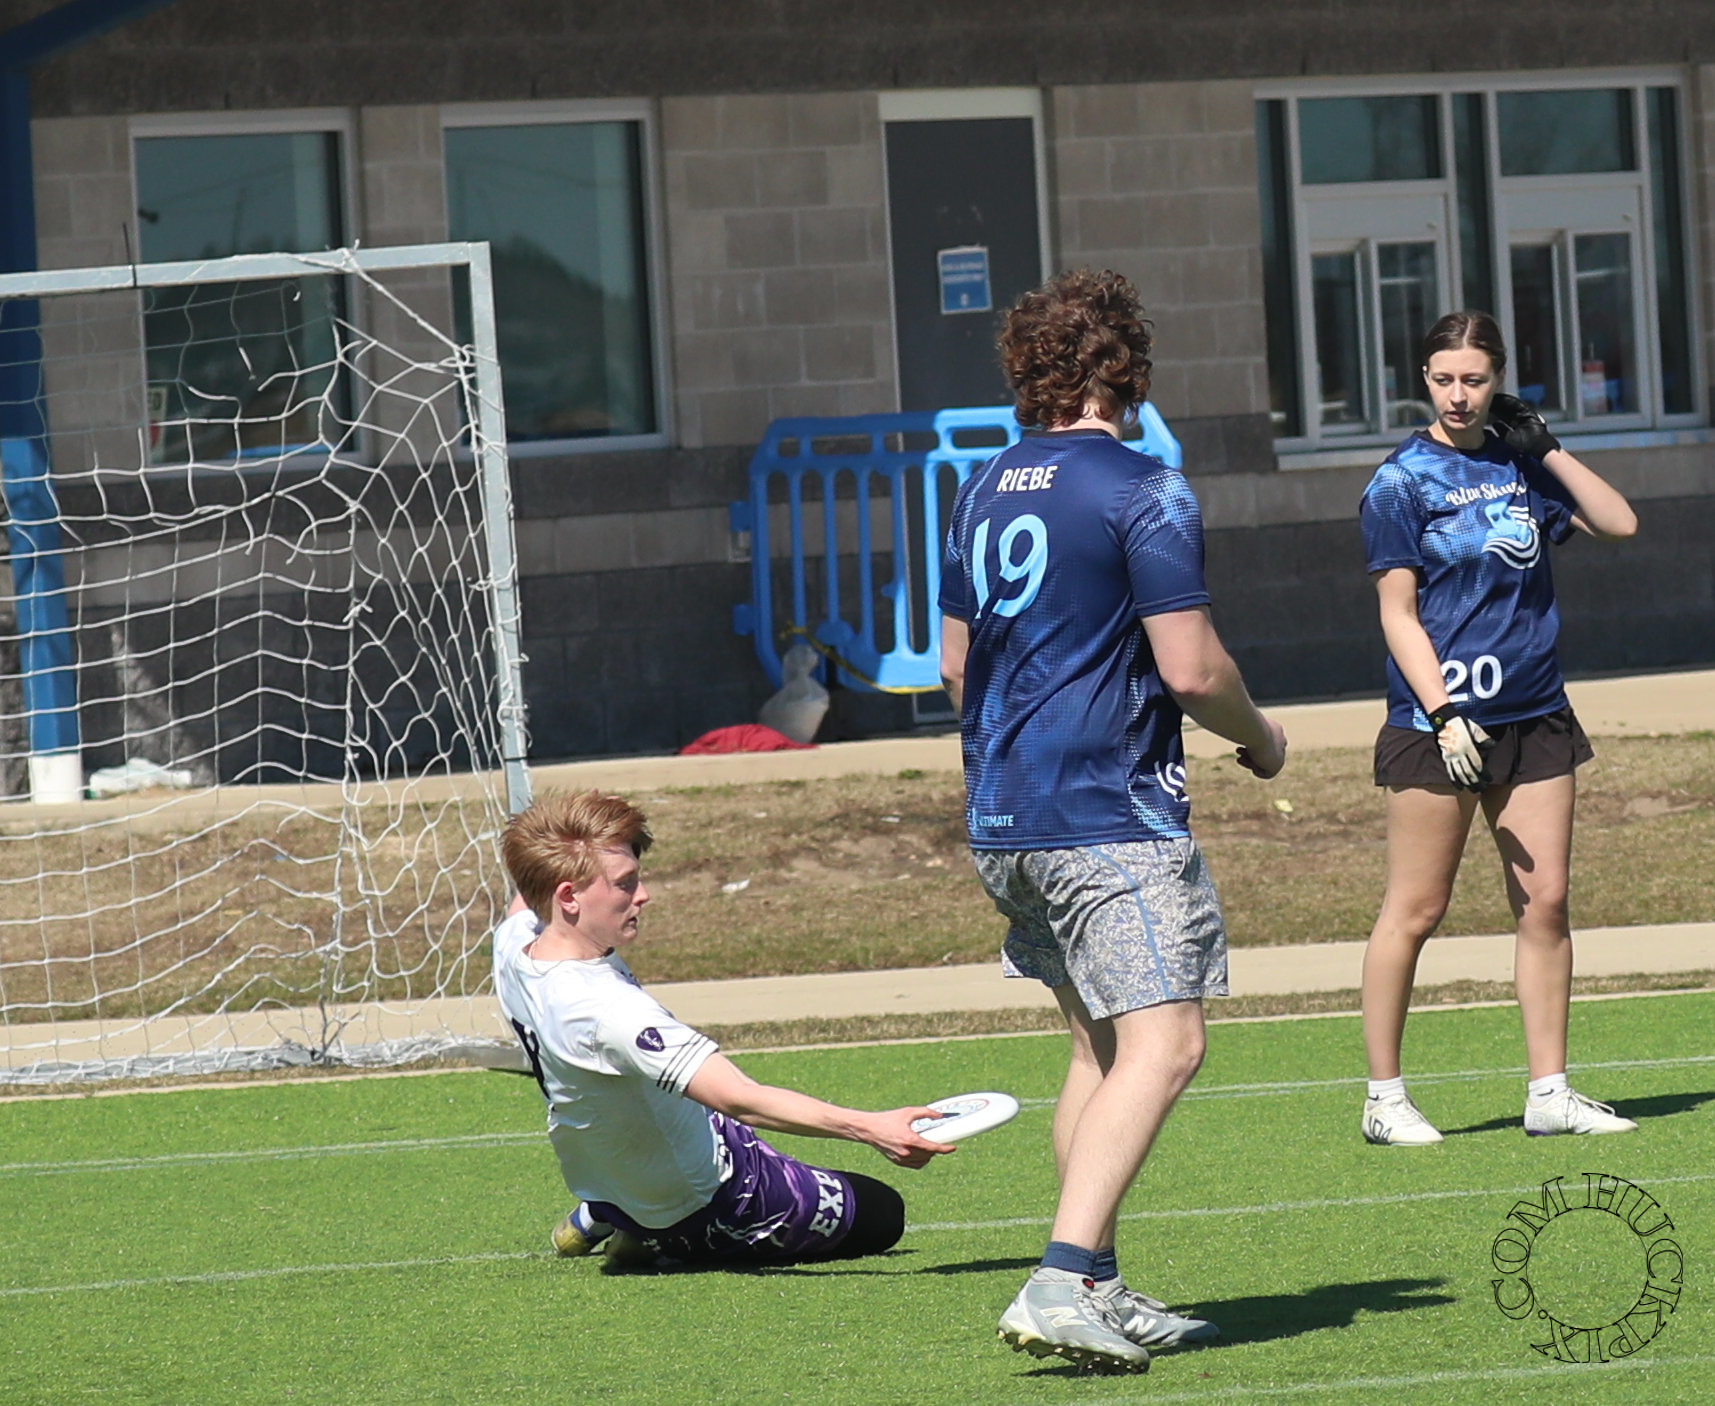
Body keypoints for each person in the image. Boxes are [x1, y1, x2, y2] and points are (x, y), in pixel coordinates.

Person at [938, 268, 1288, 1373]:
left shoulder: (979, 487)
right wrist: (1260, 736)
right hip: (1105, 813)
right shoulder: (1145, 486)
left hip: (1004, 813)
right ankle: (1057, 1277)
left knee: (1098, 1048)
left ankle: (1091, 1280)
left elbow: (954, 667)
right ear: (1124, 368)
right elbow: (1190, 668)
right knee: (1166, 1041)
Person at [1357, 310, 1640, 1147]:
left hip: (1534, 711)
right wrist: (1442, 712)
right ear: (1422, 379)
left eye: (1474, 379)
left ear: (1497, 381)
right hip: (1438, 723)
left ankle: (1549, 1092)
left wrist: (1546, 448)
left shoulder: (1519, 464)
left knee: (1544, 902)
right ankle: (1382, 1098)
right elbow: (1397, 614)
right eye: (1443, 378)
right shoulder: (1399, 482)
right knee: (1416, 908)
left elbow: (1618, 522)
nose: (1457, 394)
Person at [492, 789, 952, 1269]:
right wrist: (873, 1128)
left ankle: (608, 1210)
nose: (643, 895)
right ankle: (657, 1239)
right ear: (568, 897)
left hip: (613, 1165)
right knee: (881, 1212)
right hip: (698, 1199)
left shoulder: (515, 945)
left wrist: (549, 837)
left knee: (670, 1108)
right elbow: (739, 1098)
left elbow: (524, 900)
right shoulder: (608, 1011)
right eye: (625, 884)